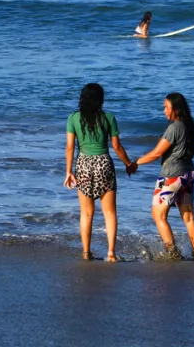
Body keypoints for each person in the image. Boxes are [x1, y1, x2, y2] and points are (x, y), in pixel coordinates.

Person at [64, 83, 135, 262]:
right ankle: (111, 253)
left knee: (86, 213)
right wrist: (129, 164)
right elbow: (116, 146)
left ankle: (86, 253)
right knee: (109, 213)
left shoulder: (73, 118)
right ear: (100, 99)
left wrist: (68, 172)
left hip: (84, 165)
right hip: (104, 163)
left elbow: (70, 147)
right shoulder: (108, 118)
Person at [128, 93, 194, 260]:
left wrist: (135, 163)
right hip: (188, 173)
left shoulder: (174, 128)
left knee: (158, 215)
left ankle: (172, 252)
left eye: (166, 107)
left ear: (176, 109)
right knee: (188, 217)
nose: (164, 111)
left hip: (172, 176)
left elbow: (156, 153)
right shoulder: (189, 125)